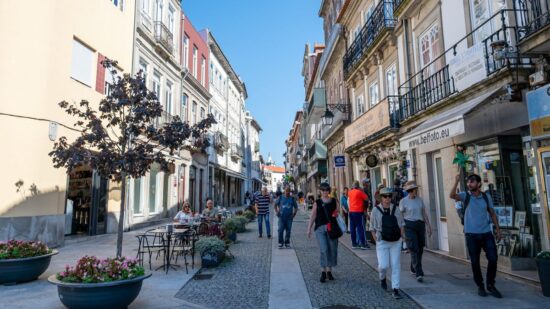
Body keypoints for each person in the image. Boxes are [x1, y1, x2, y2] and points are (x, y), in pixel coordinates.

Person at [450, 174, 502, 298]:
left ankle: (490, 284)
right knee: (475, 261)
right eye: (468, 182)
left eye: (472, 182)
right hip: (471, 235)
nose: (469, 184)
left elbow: (492, 213)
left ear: (479, 184)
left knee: (493, 258)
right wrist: (456, 181)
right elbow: (452, 196)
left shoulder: (486, 196)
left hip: (486, 233)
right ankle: (480, 285)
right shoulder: (465, 195)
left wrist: (498, 230)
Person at [370, 187, 405, 300]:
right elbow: (371, 228)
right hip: (382, 242)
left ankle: (396, 289)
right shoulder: (375, 210)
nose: (387, 199)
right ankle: (382, 278)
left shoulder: (396, 209)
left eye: (389, 196)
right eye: (385, 196)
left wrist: (401, 238)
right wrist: (377, 240)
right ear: (380, 198)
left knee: (395, 265)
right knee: (383, 266)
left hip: (395, 242)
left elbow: (401, 224)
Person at [399, 181, 432, 282]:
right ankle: (419, 272)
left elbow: (423, 213)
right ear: (410, 190)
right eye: (414, 189)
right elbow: (400, 216)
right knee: (414, 248)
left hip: (420, 225)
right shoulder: (403, 201)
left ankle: (414, 266)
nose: (416, 191)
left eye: (416, 189)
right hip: (409, 226)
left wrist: (429, 226)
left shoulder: (420, 200)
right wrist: (402, 230)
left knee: (420, 248)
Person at [307, 182, 339, 283]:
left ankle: (329, 271)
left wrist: (336, 214)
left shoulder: (334, 201)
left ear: (329, 191)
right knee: (324, 249)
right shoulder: (317, 202)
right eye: (323, 190)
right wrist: (309, 229)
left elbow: (338, 212)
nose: (325, 192)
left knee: (332, 249)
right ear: (320, 191)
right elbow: (313, 216)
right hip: (320, 229)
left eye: (327, 190)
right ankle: (323, 272)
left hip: (332, 229)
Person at [348, 181, 369, 249]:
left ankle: (354, 244)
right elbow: (366, 198)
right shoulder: (359, 192)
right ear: (358, 186)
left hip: (351, 211)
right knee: (360, 228)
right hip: (358, 211)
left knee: (352, 228)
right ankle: (363, 244)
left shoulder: (350, 192)